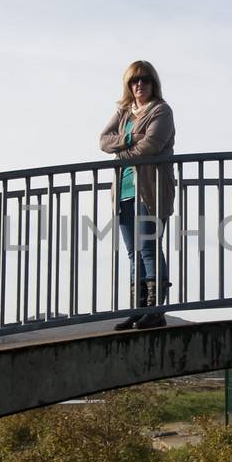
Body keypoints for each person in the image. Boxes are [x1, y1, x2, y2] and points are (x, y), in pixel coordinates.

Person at [99, 60, 176, 330]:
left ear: (153, 82)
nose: (139, 84)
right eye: (133, 81)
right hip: (124, 191)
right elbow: (103, 140)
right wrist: (131, 139)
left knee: (149, 248)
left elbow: (151, 146)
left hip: (151, 190)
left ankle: (156, 310)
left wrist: (121, 153)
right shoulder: (123, 112)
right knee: (133, 252)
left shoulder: (161, 111)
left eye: (144, 79)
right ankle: (138, 309)